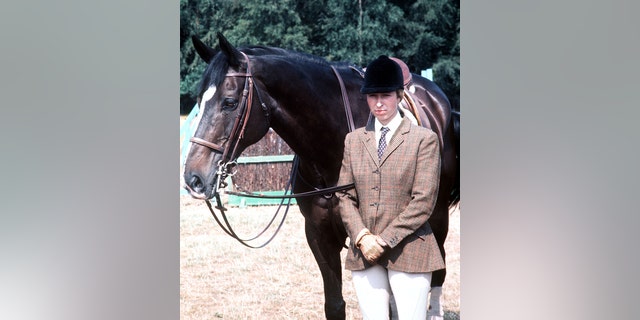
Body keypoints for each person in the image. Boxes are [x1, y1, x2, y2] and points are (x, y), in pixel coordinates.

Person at [336, 55, 445, 320]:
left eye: (385, 95)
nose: (379, 103)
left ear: (399, 95)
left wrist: (383, 241)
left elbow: (423, 202)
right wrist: (362, 237)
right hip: (365, 250)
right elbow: (344, 195)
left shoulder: (424, 140)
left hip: (410, 249)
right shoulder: (353, 140)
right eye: (372, 96)